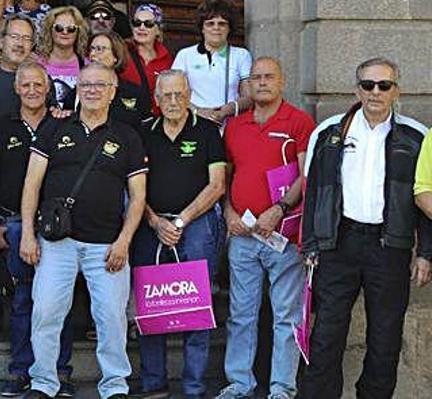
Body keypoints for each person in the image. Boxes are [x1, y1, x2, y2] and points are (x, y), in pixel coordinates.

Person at [299, 58, 431, 398]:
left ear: (396, 91)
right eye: (368, 85)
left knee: (385, 339)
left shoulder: (417, 137)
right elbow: (314, 192)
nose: (375, 92)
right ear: (357, 88)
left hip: (390, 248)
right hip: (338, 244)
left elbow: (424, 195)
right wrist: (311, 245)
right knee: (326, 336)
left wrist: (425, 254)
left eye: (384, 85)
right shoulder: (329, 132)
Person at [20, 62, 148, 399]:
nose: (92, 90)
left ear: (112, 92)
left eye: (100, 85)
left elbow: (138, 198)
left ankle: (114, 385)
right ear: (78, 89)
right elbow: (31, 185)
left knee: (111, 318)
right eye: (86, 84)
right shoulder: (53, 129)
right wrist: (27, 235)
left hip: (107, 245)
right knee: (45, 312)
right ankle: (44, 383)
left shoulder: (127, 137)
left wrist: (124, 241)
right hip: (56, 243)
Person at [213, 58, 315, 399]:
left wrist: (280, 209)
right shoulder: (236, 126)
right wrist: (227, 212)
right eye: (255, 77)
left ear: (282, 82)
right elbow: (226, 176)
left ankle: (282, 387)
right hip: (242, 233)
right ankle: (240, 382)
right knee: (241, 313)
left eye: (269, 77)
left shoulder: (299, 122)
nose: (262, 83)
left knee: (286, 316)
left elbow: (305, 176)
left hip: (282, 234)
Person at [132, 70, 225, 399]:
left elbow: (217, 185)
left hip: (196, 225)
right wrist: (156, 222)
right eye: (166, 96)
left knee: (196, 306)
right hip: (150, 226)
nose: (173, 101)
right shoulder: (142, 131)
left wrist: (182, 221)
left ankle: (194, 387)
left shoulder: (209, 131)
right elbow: (132, 187)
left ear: (189, 95)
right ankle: (153, 383)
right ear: (156, 99)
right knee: (151, 307)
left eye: (179, 94)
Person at [0, 62, 74, 397]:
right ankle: (22, 370)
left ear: (48, 87)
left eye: (39, 85)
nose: (33, 90)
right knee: (23, 300)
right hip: (13, 223)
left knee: (56, 302)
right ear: (16, 88)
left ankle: (59, 372)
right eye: (26, 85)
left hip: (54, 227)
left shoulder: (63, 124)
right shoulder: (3, 126)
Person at [172, 0, 252, 125]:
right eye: (210, 23)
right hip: (193, 123)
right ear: (202, 28)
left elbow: (249, 97)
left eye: (222, 23)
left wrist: (226, 110)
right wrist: (198, 111)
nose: (216, 28)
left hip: (229, 124)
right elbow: (174, 92)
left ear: (229, 28)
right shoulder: (185, 55)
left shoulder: (242, 55)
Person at [123, 4, 173, 116]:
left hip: (155, 121)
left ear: (158, 30)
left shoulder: (167, 59)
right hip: (126, 119)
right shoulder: (121, 51)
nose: (141, 27)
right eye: (137, 23)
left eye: (148, 24)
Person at [35, 5, 88, 106]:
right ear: (50, 30)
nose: (65, 32)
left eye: (71, 29)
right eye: (59, 28)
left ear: (78, 32)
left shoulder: (87, 65)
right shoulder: (36, 64)